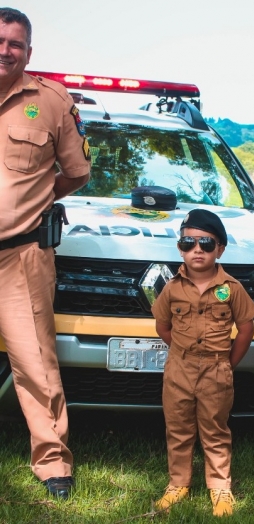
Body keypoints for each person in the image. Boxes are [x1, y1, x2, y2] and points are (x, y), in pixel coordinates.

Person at [0, 7, 90, 499]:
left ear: (28, 52)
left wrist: (35, 199)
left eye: (15, 43)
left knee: (36, 363)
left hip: (20, 258)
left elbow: (77, 172)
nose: (5, 49)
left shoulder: (52, 102)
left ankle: (53, 462)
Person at [152, 209, 254, 517]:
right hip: (179, 370)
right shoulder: (172, 288)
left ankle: (220, 488)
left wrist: (227, 362)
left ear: (220, 249)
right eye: (188, 243)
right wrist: (182, 353)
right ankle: (178, 484)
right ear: (180, 248)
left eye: (206, 243)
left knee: (215, 430)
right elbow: (162, 325)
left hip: (216, 370)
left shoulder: (233, 289)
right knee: (178, 428)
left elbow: (247, 329)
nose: (197, 249)